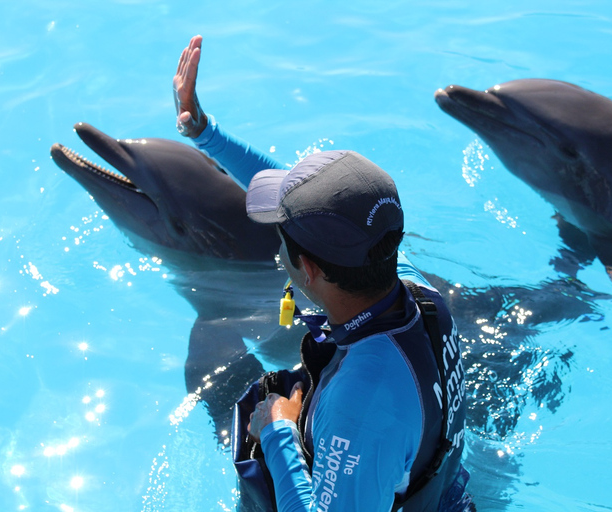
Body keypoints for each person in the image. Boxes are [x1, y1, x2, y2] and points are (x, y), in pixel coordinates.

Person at [174, 35, 472, 511]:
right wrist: (204, 132)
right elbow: (298, 191)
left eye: (282, 241)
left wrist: (277, 433)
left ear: (307, 270)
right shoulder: (415, 291)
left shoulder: (363, 402)